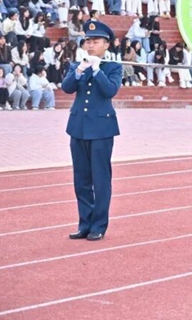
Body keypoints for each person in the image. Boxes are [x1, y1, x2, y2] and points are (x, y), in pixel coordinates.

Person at [61, 20, 122, 241]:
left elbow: (110, 90)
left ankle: (99, 226)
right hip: (78, 128)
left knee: (101, 179)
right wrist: (79, 69)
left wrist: (96, 69)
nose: (90, 45)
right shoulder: (78, 66)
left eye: (95, 42)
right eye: (88, 41)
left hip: (101, 130)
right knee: (81, 180)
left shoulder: (112, 67)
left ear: (106, 45)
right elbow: (67, 87)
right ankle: (84, 224)